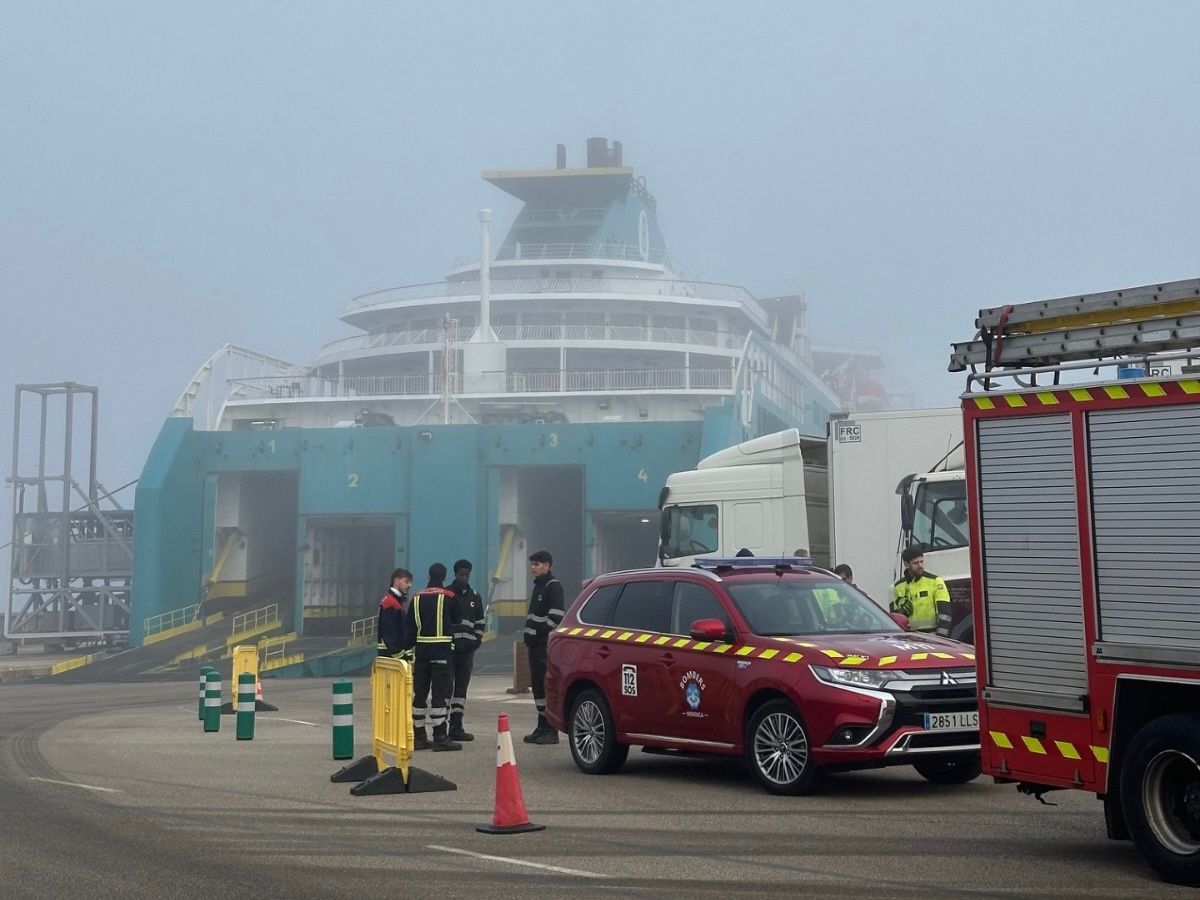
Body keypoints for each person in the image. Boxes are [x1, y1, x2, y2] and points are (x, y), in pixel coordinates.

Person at [404, 563, 462, 751]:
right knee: (440, 695)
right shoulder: (449, 597)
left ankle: (419, 737)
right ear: (445, 577)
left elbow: (410, 628)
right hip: (442, 653)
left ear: (428, 576)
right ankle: (440, 736)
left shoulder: (416, 598)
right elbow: (457, 619)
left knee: (419, 695)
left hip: (421, 654)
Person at [523, 549, 563, 745]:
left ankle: (550, 730)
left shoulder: (552, 586)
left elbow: (556, 617)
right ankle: (541, 725)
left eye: (537, 564)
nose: (533, 568)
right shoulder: (538, 586)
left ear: (547, 565)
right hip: (534, 646)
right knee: (537, 686)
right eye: (532, 564)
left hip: (543, 647)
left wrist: (539, 635)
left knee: (545, 686)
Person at [447, 558, 485, 742]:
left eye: (467, 575)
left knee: (461, 690)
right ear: (455, 574)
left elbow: (480, 621)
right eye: (461, 574)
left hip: (467, 651)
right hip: (450, 650)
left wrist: (477, 640)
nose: (464, 578)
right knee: (446, 688)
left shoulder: (475, 596)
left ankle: (456, 725)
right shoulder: (446, 594)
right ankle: (442, 726)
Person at [891, 546, 950, 634]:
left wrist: (941, 637)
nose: (920, 565)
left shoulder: (935, 581)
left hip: (932, 636)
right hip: (909, 637)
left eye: (921, 561)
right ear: (907, 564)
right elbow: (894, 618)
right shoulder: (898, 586)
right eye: (916, 563)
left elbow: (945, 613)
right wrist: (901, 612)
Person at [376, 568, 413, 660]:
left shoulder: (393, 601)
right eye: (406, 581)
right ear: (396, 581)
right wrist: (399, 654)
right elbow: (389, 633)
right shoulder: (390, 603)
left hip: (390, 655)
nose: (409, 585)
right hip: (391, 657)